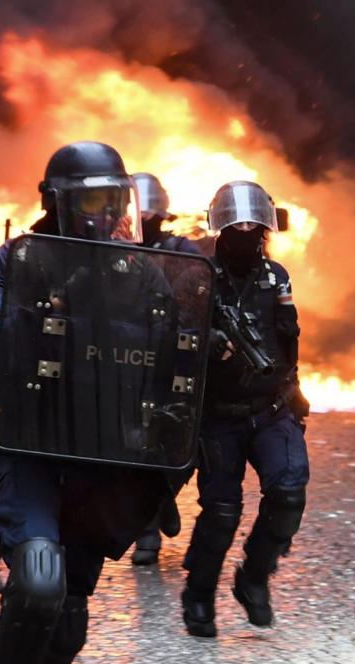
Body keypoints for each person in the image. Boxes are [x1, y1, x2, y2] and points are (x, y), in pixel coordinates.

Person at [0, 142, 175, 664]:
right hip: (28, 447)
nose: (102, 214)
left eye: (113, 200)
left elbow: (169, 361)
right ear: (55, 201)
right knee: (37, 579)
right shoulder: (14, 262)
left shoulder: (142, 272)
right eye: (89, 201)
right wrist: (46, 307)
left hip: (100, 457)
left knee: (69, 616)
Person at [179, 180, 309, 639]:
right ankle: (198, 594)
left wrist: (295, 394)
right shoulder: (197, 275)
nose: (247, 230)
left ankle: (254, 576)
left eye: (255, 223)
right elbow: (167, 338)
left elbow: (288, 343)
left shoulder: (277, 277)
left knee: (289, 493)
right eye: (237, 223)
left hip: (272, 407)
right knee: (220, 513)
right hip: (218, 414)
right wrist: (202, 342)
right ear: (220, 227)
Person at [129, 172, 205, 566]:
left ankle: (161, 498)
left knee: (182, 445)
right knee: (132, 445)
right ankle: (145, 531)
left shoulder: (182, 251)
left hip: (172, 362)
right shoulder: (115, 251)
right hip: (126, 360)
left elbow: (198, 297)